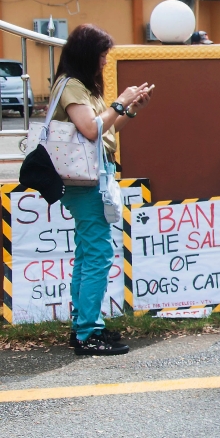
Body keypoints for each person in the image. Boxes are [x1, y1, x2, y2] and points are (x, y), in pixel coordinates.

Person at [53, 24, 152, 355]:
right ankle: (86, 333)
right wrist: (120, 103)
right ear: (87, 55)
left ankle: (85, 325)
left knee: (87, 253)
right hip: (84, 181)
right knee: (97, 255)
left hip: (93, 177)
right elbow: (90, 129)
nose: (105, 61)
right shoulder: (71, 87)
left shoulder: (83, 87)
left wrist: (130, 108)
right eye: (102, 55)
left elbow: (108, 128)